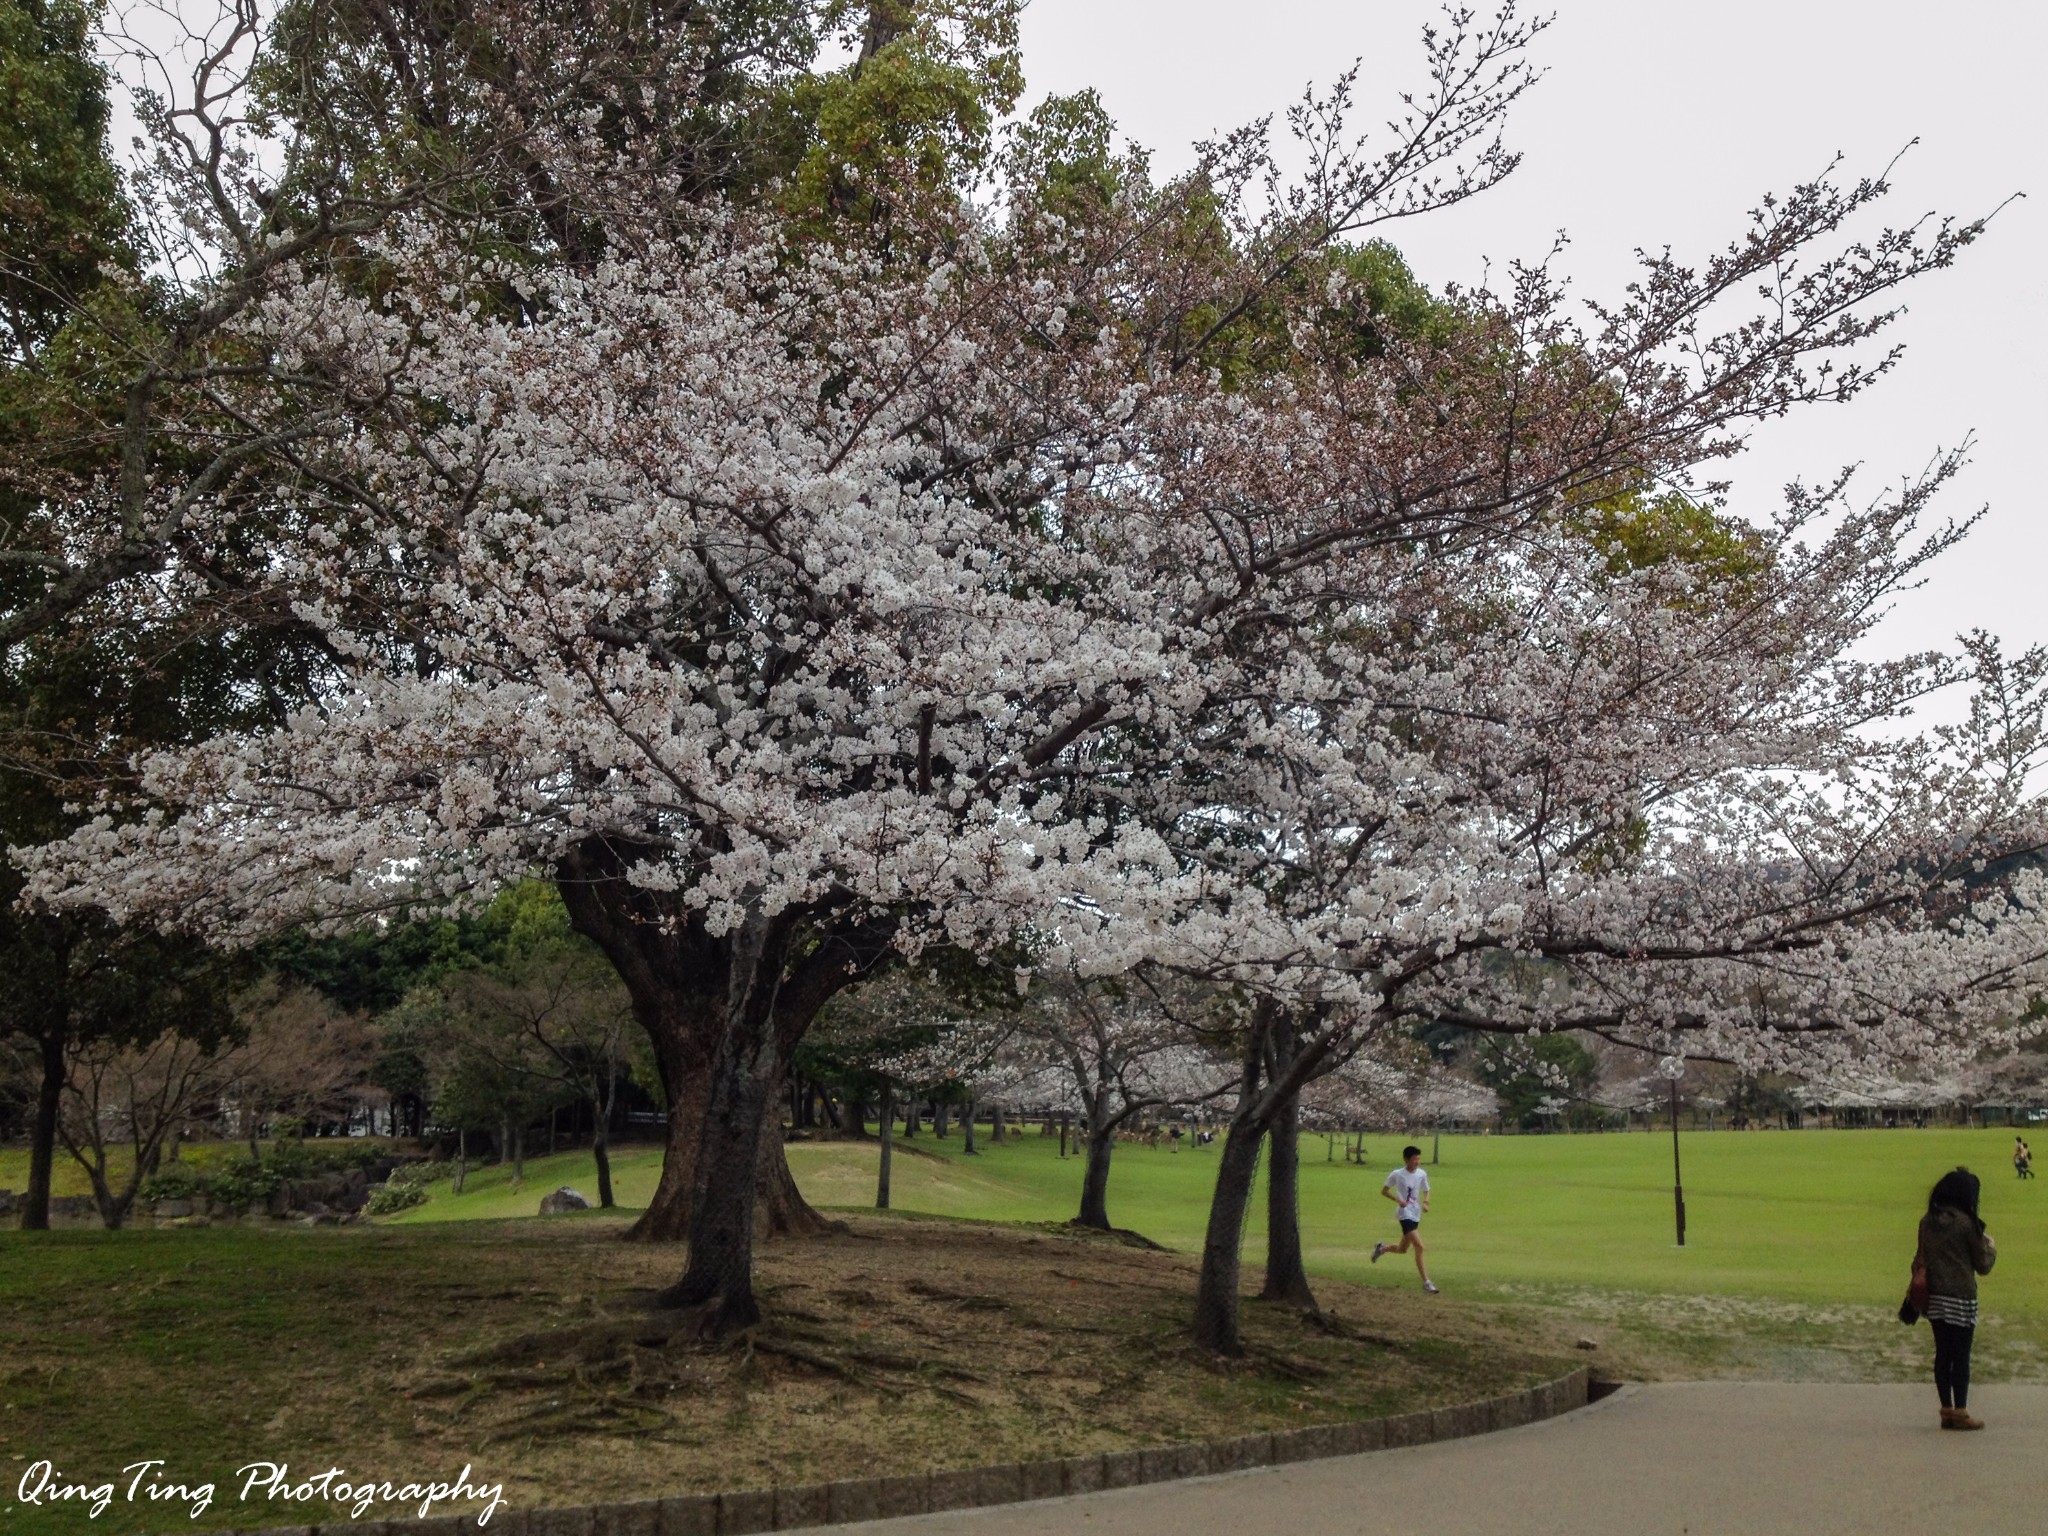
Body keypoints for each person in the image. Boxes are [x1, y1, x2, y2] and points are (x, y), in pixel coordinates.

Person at [1915, 1167, 1997, 1430]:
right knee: (1961, 1356)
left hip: (1935, 1297)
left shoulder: (1927, 1221)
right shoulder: (1966, 1224)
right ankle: (1961, 1411)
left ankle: (1946, 1410)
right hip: (1961, 1297)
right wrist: (1991, 1247)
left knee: (1942, 1354)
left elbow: (1919, 1259)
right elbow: (1982, 1265)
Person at [1371, 1144, 1438, 1293]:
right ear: (1406, 1159)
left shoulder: (1421, 1174)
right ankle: (1426, 1282)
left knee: (1402, 1249)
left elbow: (1427, 1190)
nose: (1417, 1162)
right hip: (1404, 1214)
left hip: (1415, 1214)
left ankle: (1382, 1249)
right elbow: (1384, 1191)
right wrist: (1398, 1200)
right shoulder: (1397, 1174)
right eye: (1414, 1159)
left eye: (1418, 1159)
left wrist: (1426, 1202)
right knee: (1420, 1246)